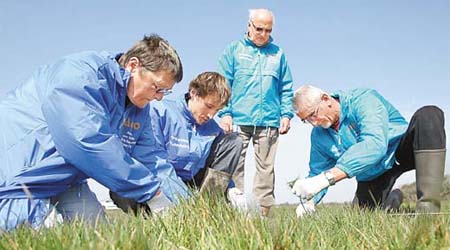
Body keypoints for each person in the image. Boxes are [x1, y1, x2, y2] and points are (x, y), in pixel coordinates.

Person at [0, 34, 189, 231]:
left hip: (65, 178)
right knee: (20, 233)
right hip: (22, 170)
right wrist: (152, 192)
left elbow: (153, 160)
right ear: (133, 65)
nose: (159, 98)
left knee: (100, 235)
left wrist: (186, 207)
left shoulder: (138, 110)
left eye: (164, 92)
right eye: (157, 87)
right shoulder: (80, 75)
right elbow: (87, 143)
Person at [291, 85, 446, 217]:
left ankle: (428, 213)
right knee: (360, 216)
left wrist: (328, 178)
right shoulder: (318, 136)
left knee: (429, 115)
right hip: (372, 172)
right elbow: (317, 172)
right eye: (307, 120)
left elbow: (375, 144)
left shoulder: (363, 100)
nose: (314, 123)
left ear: (325, 99)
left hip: (399, 149)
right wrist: (309, 201)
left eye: (313, 114)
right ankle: (392, 200)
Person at [110, 72, 245, 213]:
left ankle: (209, 209)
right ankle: (168, 218)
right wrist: (186, 203)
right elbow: (156, 164)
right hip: (158, 180)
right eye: (209, 106)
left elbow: (221, 168)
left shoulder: (213, 129)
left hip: (192, 183)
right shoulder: (159, 112)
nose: (211, 115)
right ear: (193, 93)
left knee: (234, 140)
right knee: (122, 193)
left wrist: (230, 189)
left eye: (217, 110)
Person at [217, 8, 294, 216]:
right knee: (234, 168)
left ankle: (261, 215)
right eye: (259, 29)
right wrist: (225, 113)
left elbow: (286, 87)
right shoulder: (233, 50)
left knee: (266, 171)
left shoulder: (278, 54)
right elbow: (222, 84)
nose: (263, 34)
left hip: (269, 120)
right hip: (238, 121)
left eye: (268, 30)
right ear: (249, 25)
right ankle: (237, 212)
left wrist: (286, 114)